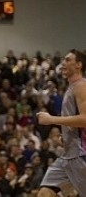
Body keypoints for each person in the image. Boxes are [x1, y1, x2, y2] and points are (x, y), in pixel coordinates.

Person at [36, 49, 86, 197]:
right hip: (68, 155)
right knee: (45, 193)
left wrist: (51, 119)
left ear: (79, 65)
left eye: (68, 60)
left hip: (80, 155)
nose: (63, 63)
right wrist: (67, 133)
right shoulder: (72, 87)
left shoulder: (81, 86)